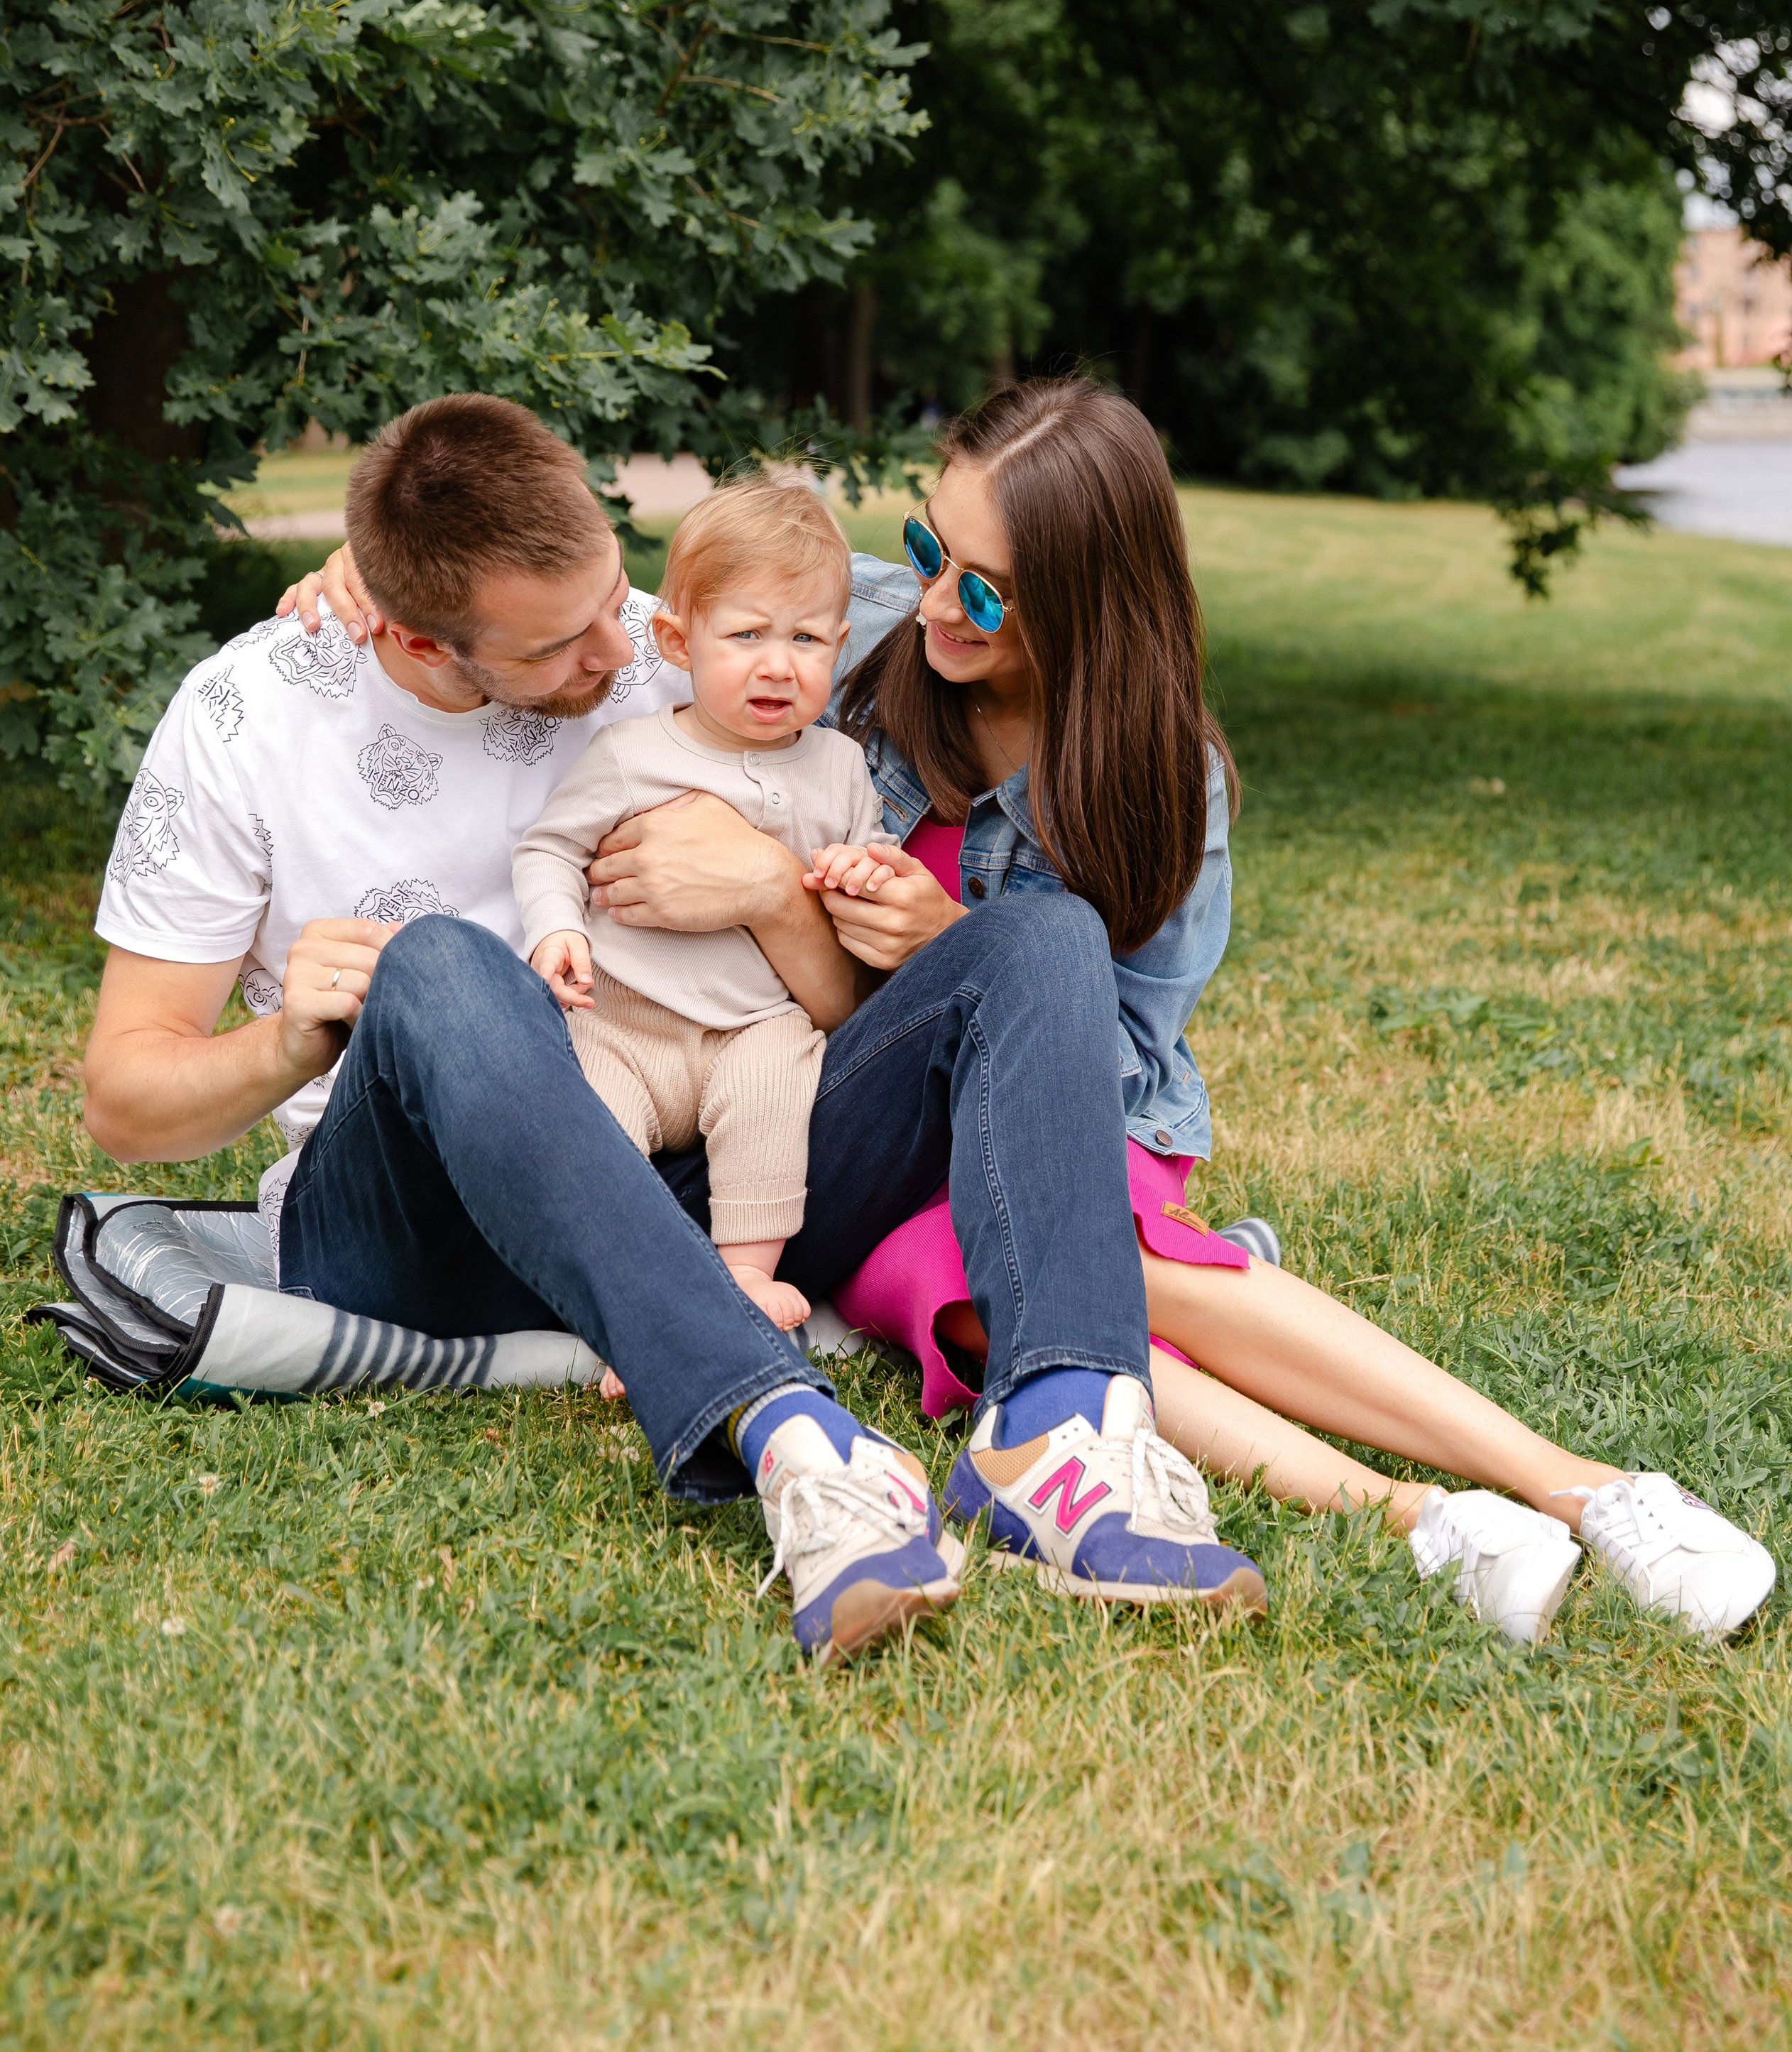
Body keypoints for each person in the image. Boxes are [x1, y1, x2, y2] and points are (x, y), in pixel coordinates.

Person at [82, 393, 1264, 1663]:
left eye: (618, 598)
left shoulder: (680, 642)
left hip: (722, 1156)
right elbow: (123, 1103)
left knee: (1038, 935)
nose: (620, 651)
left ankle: (1063, 1428)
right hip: (428, 1229)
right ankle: (794, 1443)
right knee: (445, 965)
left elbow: (816, 586)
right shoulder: (246, 718)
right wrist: (294, 1041)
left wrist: (773, 890)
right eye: (560, 648)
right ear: (423, 641)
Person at [783, 376, 1777, 1645]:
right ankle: (1416, 1515)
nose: (933, 602)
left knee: (1076, 1260)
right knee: (990, 1279)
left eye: (983, 588)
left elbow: (1120, 1060)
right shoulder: (848, 631)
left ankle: (1587, 1493)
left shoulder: (1160, 778)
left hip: (1068, 1116)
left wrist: (956, 950)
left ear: (1090, 601)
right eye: (933, 549)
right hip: (855, 1142)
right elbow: (634, 633)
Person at [514, 478, 888, 1331]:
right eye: (747, 634)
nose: (777, 663)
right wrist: (558, 928)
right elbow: (550, 848)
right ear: (679, 642)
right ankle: (630, 1291)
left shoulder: (840, 766)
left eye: (804, 639)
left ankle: (743, 1279)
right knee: (591, 1126)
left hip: (752, 1023)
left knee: (774, 1091)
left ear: (837, 645)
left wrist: (861, 870)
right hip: (625, 1021)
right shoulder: (631, 754)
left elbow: (875, 857)